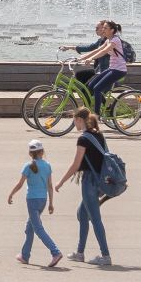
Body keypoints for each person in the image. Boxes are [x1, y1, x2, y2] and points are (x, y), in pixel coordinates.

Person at [54, 106, 112, 266]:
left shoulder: (84, 138)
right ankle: (80, 253)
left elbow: (76, 164)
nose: (74, 124)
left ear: (79, 120)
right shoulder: (98, 134)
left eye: (74, 120)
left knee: (95, 218)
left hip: (89, 182)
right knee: (82, 214)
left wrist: (61, 182)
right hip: (100, 180)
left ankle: (105, 256)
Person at [7, 138, 62, 267]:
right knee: (29, 228)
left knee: (38, 228)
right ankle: (25, 255)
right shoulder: (47, 165)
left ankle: (55, 252)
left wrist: (11, 194)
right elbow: (50, 185)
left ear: (30, 154)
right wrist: (51, 203)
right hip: (43, 200)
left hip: (32, 200)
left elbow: (20, 184)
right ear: (42, 152)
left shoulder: (28, 166)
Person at [73, 20, 128, 113]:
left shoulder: (115, 40)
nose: (103, 29)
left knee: (97, 89)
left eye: (105, 28)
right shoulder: (108, 40)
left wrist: (91, 59)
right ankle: (97, 108)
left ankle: (97, 115)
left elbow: (104, 51)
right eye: (103, 28)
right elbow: (97, 50)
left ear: (112, 30)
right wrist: (81, 58)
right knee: (90, 86)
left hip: (119, 70)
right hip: (112, 69)